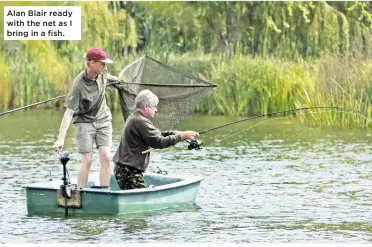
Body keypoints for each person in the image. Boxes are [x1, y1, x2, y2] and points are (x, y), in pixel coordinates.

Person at [53, 48, 118, 189]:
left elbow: (106, 75)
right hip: (84, 122)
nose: (105, 66)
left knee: (106, 157)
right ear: (91, 63)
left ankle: (104, 191)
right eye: (102, 63)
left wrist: (114, 79)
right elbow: (68, 113)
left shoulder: (102, 72)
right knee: (87, 160)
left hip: (103, 118)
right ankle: (81, 193)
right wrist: (61, 138)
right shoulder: (78, 86)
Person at [113, 89, 199, 190]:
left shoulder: (135, 117)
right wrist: (182, 136)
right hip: (129, 172)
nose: (156, 109)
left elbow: (155, 135)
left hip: (124, 169)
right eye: (154, 106)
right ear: (145, 107)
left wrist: (176, 134)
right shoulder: (140, 121)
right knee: (143, 200)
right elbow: (159, 142)